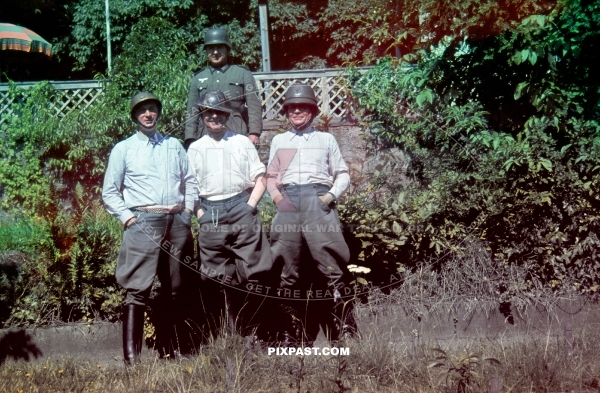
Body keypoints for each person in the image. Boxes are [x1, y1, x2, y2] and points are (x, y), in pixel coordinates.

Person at [102, 92, 198, 365]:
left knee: (175, 287)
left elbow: (190, 181)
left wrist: (187, 212)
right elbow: (110, 192)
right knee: (138, 288)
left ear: (158, 113)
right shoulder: (124, 149)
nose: (148, 114)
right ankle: (132, 358)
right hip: (143, 222)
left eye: (153, 109)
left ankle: (172, 349)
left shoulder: (174, 145)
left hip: (176, 222)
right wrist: (129, 219)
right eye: (142, 111)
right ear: (135, 116)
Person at [265, 84, 358, 345]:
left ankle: (344, 331)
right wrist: (279, 200)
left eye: (303, 107)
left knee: (332, 266)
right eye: (292, 108)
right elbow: (271, 178)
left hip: (318, 199)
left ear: (312, 112)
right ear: (286, 112)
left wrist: (329, 197)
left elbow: (342, 173)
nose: (297, 111)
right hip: (289, 201)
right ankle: (288, 334)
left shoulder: (325, 139)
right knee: (286, 266)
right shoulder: (279, 141)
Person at [187, 90, 273, 340]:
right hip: (210, 212)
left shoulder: (242, 142)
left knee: (255, 271)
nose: (215, 117)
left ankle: (255, 333)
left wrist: (250, 206)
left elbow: (261, 177)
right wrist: (200, 213)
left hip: (241, 207)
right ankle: (226, 335)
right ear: (202, 115)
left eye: (220, 112)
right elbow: (189, 188)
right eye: (209, 112)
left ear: (227, 114)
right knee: (216, 276)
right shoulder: (195, 148)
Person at [184, 28, 262, 149]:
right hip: (206, 131)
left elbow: (254, 105)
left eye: (219, 47)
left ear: (227, 49)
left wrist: (254, 133)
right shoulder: (198, 77)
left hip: (236, 129)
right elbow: (192, 111)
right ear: (206, 51)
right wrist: (191, 137)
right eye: (211, 48)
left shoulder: (242, 73)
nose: (215, 52)